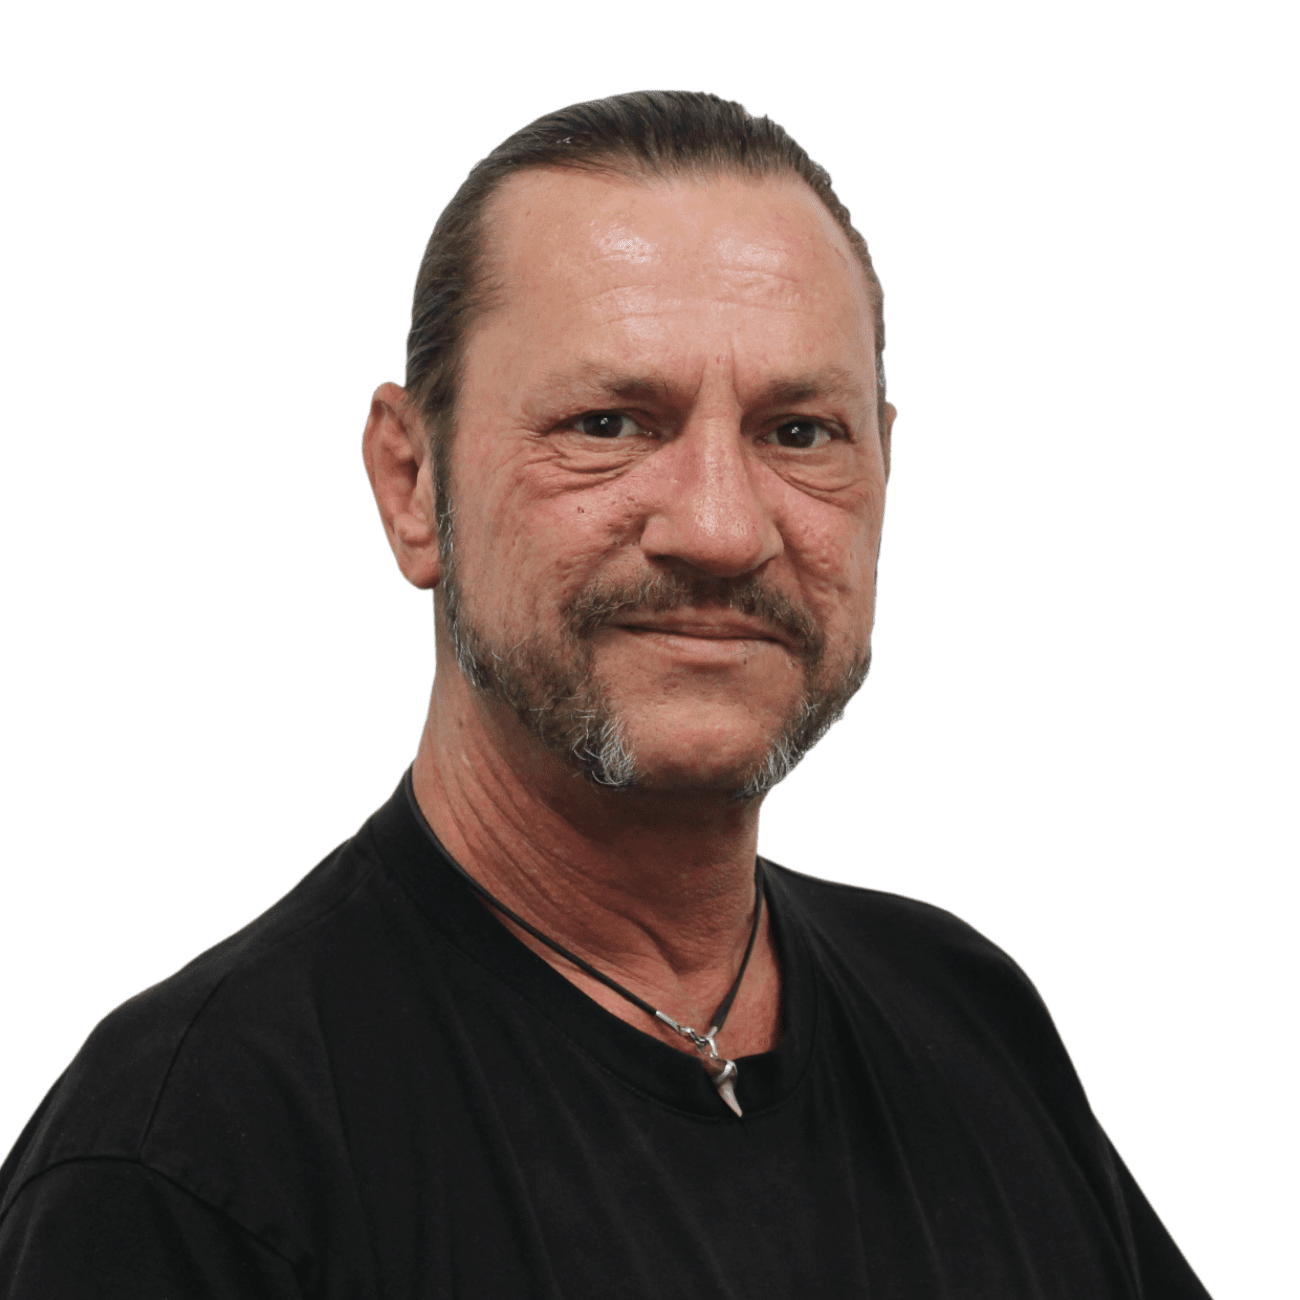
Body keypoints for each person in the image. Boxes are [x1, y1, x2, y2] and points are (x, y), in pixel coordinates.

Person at [0, 91, 1209, 1299]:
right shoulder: (191, 1164)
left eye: (799, 433)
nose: (721, 528)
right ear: (413, 483)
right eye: (610, 422)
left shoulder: (966, 1021)